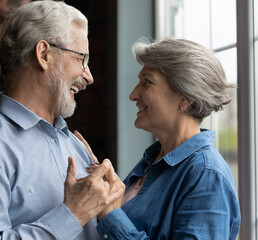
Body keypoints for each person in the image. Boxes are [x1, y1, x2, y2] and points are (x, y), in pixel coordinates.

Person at [0, 1, 124, 239]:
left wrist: (112, 213)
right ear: (44, 54)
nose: (88, 77)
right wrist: (72, 215)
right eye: (82, 59)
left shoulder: (77, 146)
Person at [79, 38, 241, 239]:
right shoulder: (153, 160)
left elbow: (115, 220)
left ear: (185, 98)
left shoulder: (206, 175)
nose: (133, 94)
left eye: (147, 82)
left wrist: (111, 216)